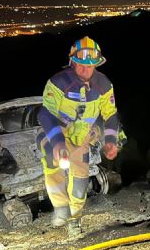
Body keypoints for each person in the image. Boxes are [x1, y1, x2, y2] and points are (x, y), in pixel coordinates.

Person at [37, 36, 120, 238]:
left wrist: (111, 141)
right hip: (57, 130)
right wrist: (57, 143)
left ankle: (74, 219)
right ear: (72, 61)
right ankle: (60, 207)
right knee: (51, 157)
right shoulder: (58, 82)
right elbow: (45, 114)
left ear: (97, 64)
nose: (85, 70)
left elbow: (110, 115)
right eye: (81, 64)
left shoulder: (104, 85)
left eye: (90, 66)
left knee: (81, 180)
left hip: (81, 136)